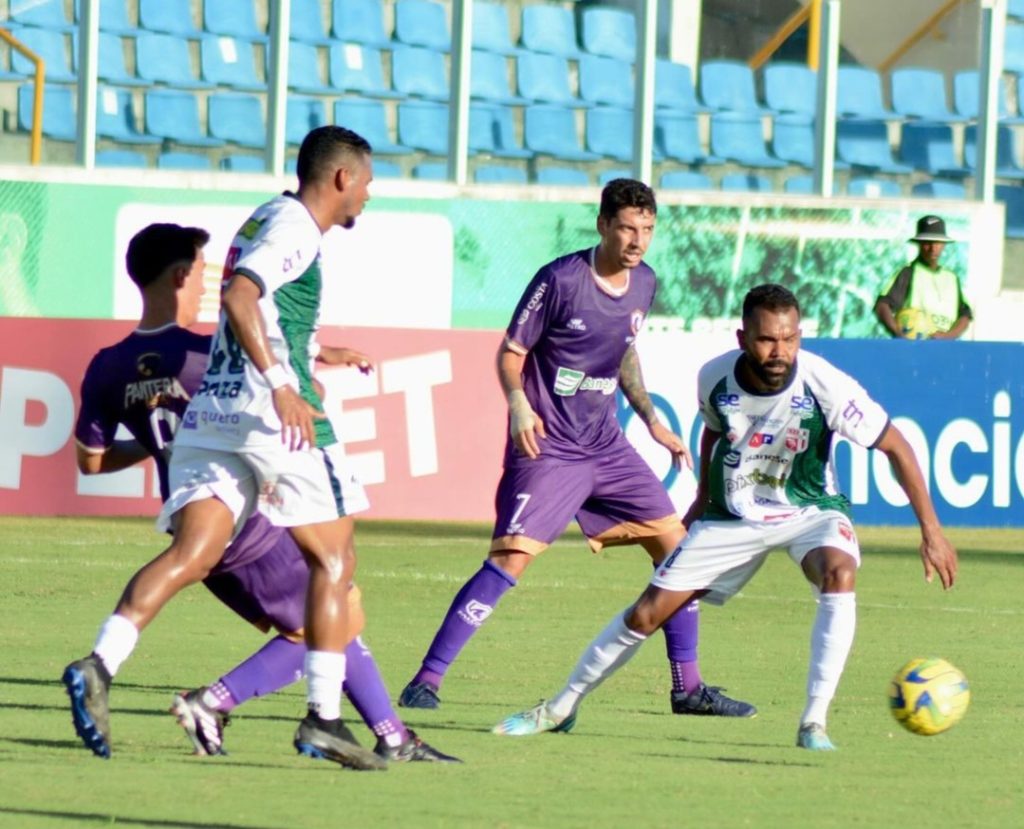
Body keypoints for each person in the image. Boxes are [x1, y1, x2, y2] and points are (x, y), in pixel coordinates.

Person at [493, 283, 958, 750]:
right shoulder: (713, 378)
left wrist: (931, 532)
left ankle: (813, 723)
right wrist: (700, 502)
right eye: (767, 340)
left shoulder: (824, 383)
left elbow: (895, 445)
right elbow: (715, 435)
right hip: (733, 515)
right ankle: (559, 708)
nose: (781, 351)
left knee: (838, 573)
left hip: (809, 509)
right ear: (742, 338)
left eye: (790, 338)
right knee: (646, 614)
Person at [67, 222, 458, 764]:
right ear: (183, 275)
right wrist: (312, 371)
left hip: (197, 516)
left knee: (325, 621)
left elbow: (90, 461)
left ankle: (392, 735)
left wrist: (165, 442)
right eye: (202, 271)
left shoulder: (107, 366)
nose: (206, 280)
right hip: (249, 517)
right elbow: (299, 394)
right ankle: (219, 703)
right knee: (333, 615)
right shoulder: (207, 356)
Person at [398, 179, 756, 721]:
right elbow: (510, 353)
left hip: (606, 446)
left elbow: (626, 352)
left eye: (648, 230)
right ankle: (426, 679)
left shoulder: (646, 283)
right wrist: (518, 403)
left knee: (680, 552)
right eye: (628, 228)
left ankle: (688, 689)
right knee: (510, 560)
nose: (638, 241)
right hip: (550, 448)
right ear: (603, 225)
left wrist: (652, 420)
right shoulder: (561, 279)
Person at [874, 215, 972, 340]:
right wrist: (898, 334)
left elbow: (965, 315)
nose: (933, 248)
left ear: (943, 244)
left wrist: (948, 336)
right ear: (919, 244)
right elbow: (882, 306)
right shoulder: (908, 273)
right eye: (927, 242)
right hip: (916, 347)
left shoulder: (952, 278)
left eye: (937, 242)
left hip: (946, 348)